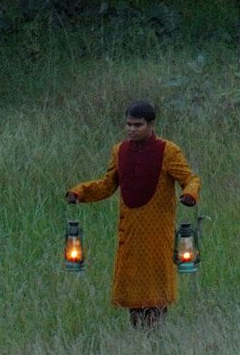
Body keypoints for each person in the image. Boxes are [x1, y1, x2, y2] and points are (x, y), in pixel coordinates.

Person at [65, 101, 202, 329]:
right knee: (132, 289)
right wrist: (80, 192)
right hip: (130, 233)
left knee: (157, 292)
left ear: (150, 125)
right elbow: (108, 184)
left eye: (137, 125)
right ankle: (138, 338)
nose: (131, 129)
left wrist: (190, 194)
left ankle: (155, 337)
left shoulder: (168, 151)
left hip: (157, 234)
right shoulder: (120, 151)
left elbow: (190, 178)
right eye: (128, 125)